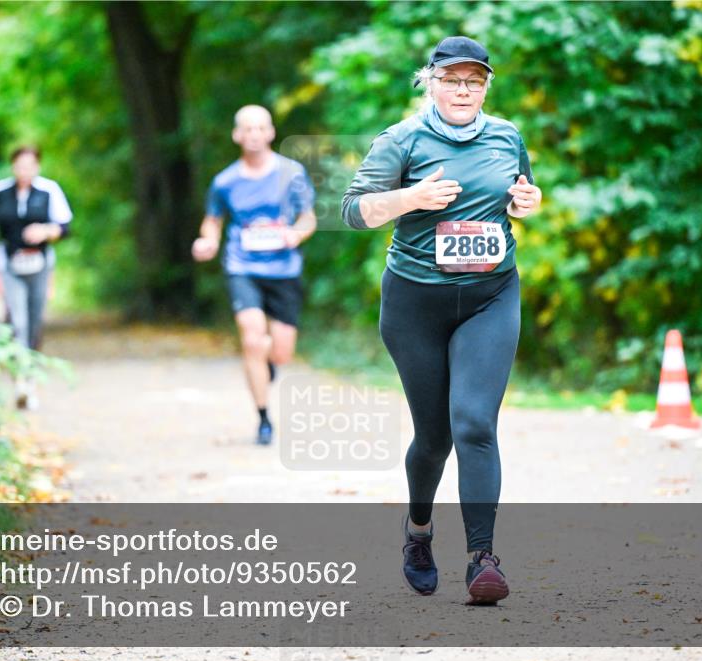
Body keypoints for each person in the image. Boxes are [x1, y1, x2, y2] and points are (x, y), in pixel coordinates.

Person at [341, 36, 542, 604]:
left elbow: (519, 193)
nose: (463, 90)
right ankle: (419, 531)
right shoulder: (401, 140)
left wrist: (528, 203)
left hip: (490, 296)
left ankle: (483, 559)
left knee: (475, 423)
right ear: (429, 80)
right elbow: (353, 211)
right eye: (452, 79)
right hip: (415, 305)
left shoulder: (507, 135)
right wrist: (411, 199)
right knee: (435, 439)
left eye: (473, 81)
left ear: (486, 85)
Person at [192, 105, 317, 445]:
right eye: (247, 129)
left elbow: (308, 217)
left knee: (281, 352)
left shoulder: (291, 173)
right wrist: (209, 240)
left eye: (260, 128)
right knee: (251, 338)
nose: (254, 135)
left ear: (271, 132)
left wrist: (296, 234)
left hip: (284, 269)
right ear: (237, 135)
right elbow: (213, 219)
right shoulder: (225, 181)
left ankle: (268, 366)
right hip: (242, 266)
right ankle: (263, 417)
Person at [0, 145, 73, 409]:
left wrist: (45, 231)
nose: (24, 171)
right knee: (16, 320)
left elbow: (65, 228)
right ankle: (19, 378)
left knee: (34, 321)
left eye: (30, 165)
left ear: (37, 167)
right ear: (13, 167)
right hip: (10, 264)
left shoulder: (49, 191)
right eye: (20, 166)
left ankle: (31, 378)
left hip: (40, 264)